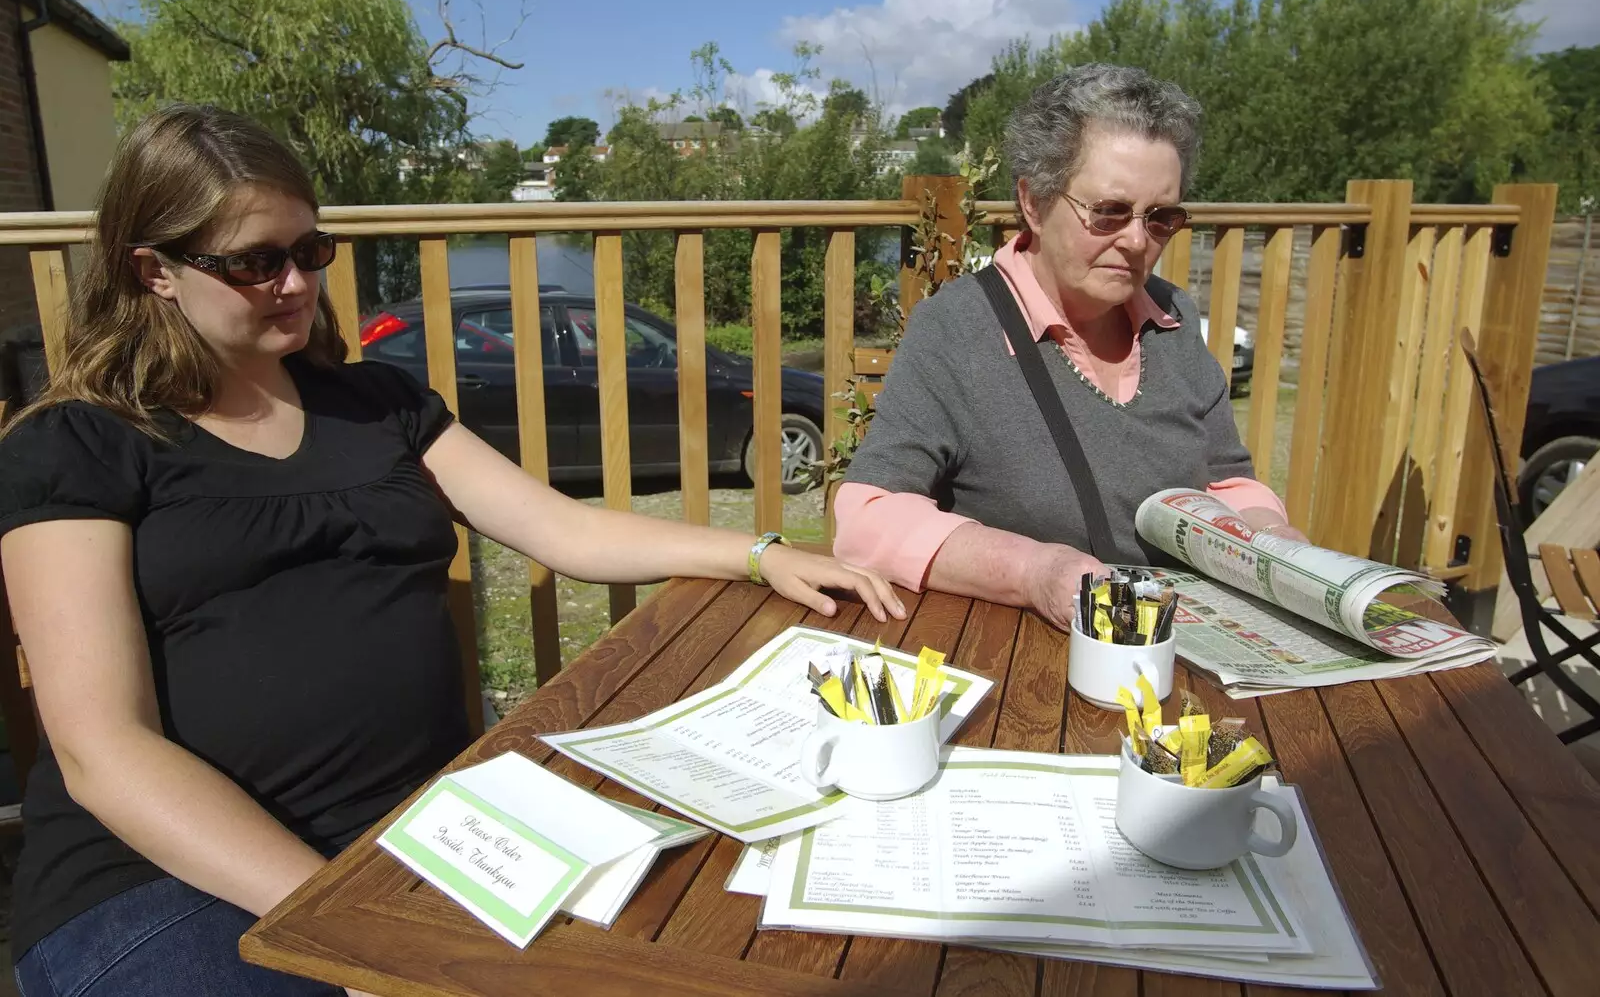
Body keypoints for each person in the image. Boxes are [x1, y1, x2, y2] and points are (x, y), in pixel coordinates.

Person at [0, 104, 902, 997]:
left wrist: (758, 553)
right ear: (155, 271)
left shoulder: (376, 403)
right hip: (165, 879)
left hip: (422, 832)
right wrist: (333, 915)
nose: (295, 284)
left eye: (310, 252)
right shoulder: (82, 444)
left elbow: (564, 528)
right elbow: (103, 750)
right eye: (254, 262)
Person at [834, 64, 1305, 633]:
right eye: (1108, 211)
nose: (1136, 241)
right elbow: (868, 516)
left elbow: (1227, 481)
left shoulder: (1174, 317)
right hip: (1023, 658)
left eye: (1161, 218)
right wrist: (1035, 572)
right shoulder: (957, 329)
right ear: (1033, 202)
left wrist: (1275, 543)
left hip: (1180, 644)